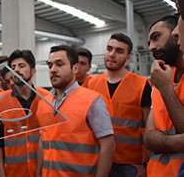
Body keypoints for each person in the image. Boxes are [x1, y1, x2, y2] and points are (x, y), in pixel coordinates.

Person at [36, 45, 115, 176]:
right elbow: (42, 141)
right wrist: (39, 173)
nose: (53, 70)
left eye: (59, 64)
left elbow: (108, 144)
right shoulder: (44, 103)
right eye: (50, 66)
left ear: (75, 68)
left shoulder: (93, 101)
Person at [88, 33, 152, 177]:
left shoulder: (142, 85)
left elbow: (150, 128)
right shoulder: (92, 84)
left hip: (130, 165)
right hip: (99, 159)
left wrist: (145, 164)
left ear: (128, 58)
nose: (112, 54)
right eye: (109, 49)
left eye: (119, 51)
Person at [0, 49, 50, 177]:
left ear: (33, 71)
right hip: (13, 172)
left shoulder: (46, 98)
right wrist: (0, 171)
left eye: (21, 66)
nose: (16, 70)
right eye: (13, 67)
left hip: (44, 170)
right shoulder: (0, 101)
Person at [144, 15, 184, 176]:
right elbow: (148, 138)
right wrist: (177, 142)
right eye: (149, 43)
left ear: (177, 32)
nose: (151, 48)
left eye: (156, 38)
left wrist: (166, 88)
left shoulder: (161, 82)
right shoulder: (160, 79)